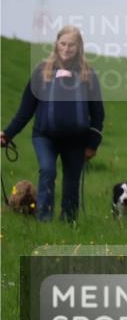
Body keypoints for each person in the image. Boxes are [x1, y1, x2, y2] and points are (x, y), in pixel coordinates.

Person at [1, 25, 104, 222]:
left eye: (71, 45)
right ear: (56, 44)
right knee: (47, 171)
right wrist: (7, 134)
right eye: (63, 43)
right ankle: (44, 219)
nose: (66, 48)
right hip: (44, 136)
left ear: (79, 47)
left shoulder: (89, 75)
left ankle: (68, 222)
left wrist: (93, 145)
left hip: (76, 140)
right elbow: (26, 109)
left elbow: (98, 114)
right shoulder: (41, 72)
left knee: (71, 183)